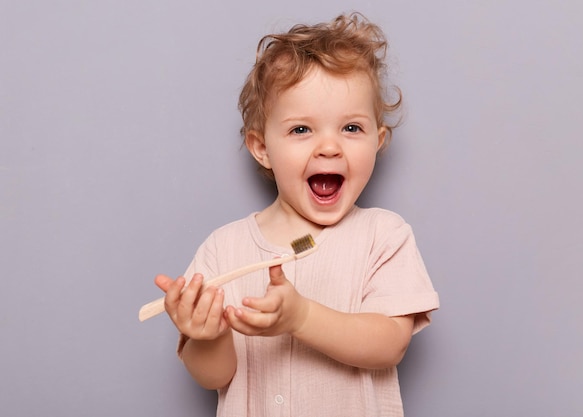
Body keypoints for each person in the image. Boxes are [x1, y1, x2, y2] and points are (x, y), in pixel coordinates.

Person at [155, 12, 439, 417]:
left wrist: (301, 316)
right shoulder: (223, 249)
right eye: (301, 130)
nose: (329, 148)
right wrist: (207, 336)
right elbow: (214, 377)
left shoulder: (384, 235)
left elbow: (390, 343)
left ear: (377, 142)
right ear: (262, 148)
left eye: (351, 128)